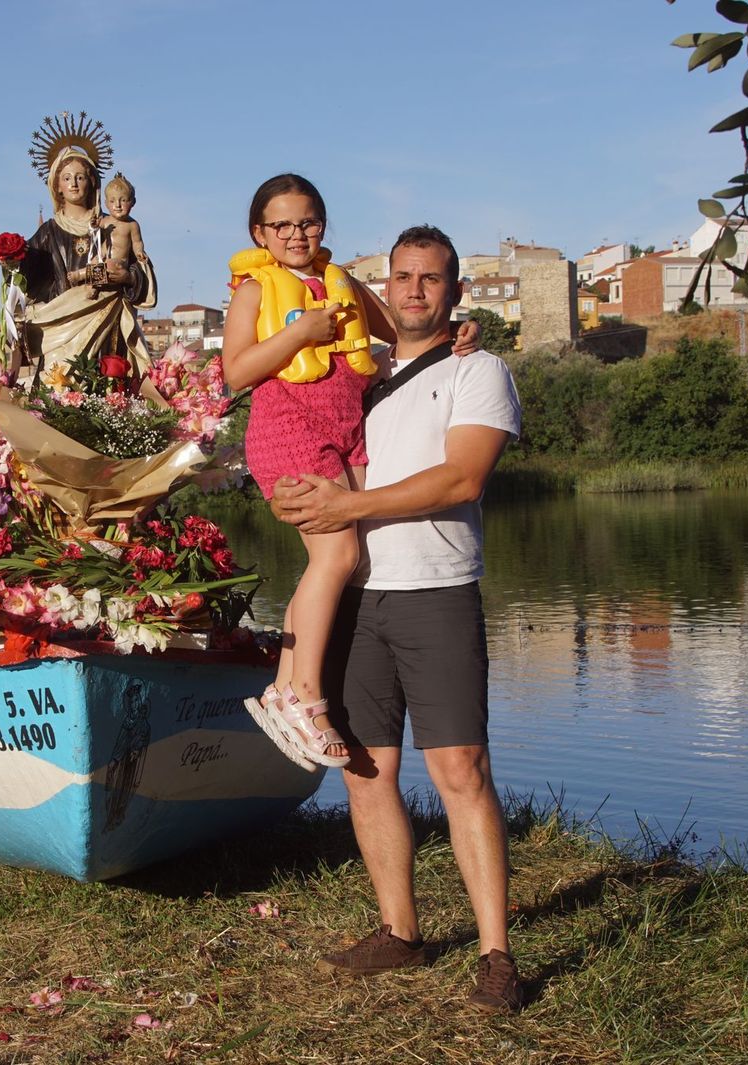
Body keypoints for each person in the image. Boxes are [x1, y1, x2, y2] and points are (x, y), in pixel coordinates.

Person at [272, 224, 525, 1014]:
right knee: (366, 771)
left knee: (461, 773)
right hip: (358, 597)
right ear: (388, 287)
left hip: (439, 592)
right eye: (405, 278)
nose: (417, 291)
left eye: (433, 279)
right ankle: (400, 932)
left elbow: (461, 478)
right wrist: (298, 496)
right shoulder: (357, 369)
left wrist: (351, 502)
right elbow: (307, 440)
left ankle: (496, 956)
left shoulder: (478, 369)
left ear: (455, 291)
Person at [222, 175, 479, 769]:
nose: (296, 234)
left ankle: (283, 683)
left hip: (344, 428)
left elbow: (402, 332)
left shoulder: (341, 282)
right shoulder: (255, 290)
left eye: (308, 221)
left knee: (344, 557)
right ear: (260, 232)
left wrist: (462, 330)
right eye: (282, 225)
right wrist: (298, 333)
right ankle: (304, 695)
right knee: (335, 558)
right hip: (290, 428)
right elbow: (235, 372)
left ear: (323, 224)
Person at [17, 115, 158, 378]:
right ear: (56, 185)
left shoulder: (113, 225)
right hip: (61, 324)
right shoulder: (48, 232)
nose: (73, 183)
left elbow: (141, 268)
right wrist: (12, 259)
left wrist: (127, 276)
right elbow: (26, 278)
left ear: (92, 181)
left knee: (104, 389)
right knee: (57, 389)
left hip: (106, 319)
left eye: (80, 177)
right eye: (67, 177)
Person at [100, 172, 147, 268]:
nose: (117, 205)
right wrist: (94, 225)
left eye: (123, 200)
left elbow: (137, 242)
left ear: (133, 202)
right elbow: (93, 234)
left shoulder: (132, 225)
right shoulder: (104, 221)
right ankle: (80, 274)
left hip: (120, 262)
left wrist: (139, 252)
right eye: (112, 201)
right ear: (106, 203)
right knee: (93, 262)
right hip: (102, 259)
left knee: (111, 265)